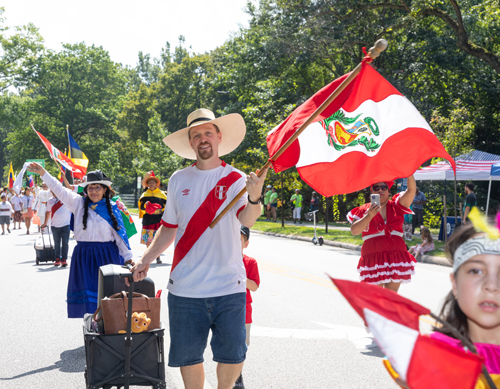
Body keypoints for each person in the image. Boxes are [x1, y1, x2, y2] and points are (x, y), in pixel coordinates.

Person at [129, 108, 267, 389]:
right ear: (191, 143)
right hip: (185, 287)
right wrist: (146, 258)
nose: (202, 139)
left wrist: (254, 197)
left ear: (218, 137)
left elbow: (247, 219)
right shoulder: (178, 179)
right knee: (188, 357)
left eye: (207, 133)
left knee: (232, 355)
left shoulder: (236, 179)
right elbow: (169, 227)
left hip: (229, 286)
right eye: (196, 135)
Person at [27, 162, 133, 318]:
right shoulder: (78, 204)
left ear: (104, 189)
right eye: (90, 188)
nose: (93, 191)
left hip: (108, 255)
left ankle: (109, 325)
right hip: (84, 255)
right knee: (89, 295)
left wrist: (129, 258)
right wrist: (43, 173)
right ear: (86, 190)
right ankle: (93, 324)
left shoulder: (112, 208)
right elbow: (59, 189)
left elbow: (120, 236)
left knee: (110, 294)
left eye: (97, 187)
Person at [347, 177, 417, 293]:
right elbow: (354, 231)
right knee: (377, 297)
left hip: (396, 254)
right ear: (371, 192)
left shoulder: (397, 205)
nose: (380, 190)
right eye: (376, 188)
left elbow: (411, 191)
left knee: (391, 296)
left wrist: (409, 172)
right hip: (372, 255)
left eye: (384, 188)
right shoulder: (363, 209)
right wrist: (369, 215)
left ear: (389, 192)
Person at [234, 226, 260, 389]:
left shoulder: (250, 262)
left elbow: (255, 286)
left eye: (238, 239)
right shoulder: (221, 260)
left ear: (246, 243)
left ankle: (237, 374)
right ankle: (231, 374)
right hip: (223, 308)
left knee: (241, 345)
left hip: (243, 311)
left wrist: (239, 276)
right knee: (228, 344)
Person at [138, 171, 167, 264]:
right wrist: (146, 207)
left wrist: (160, 210)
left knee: (158, 240)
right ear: (148, 184)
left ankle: (157, 257)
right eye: (149, 182)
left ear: (156, 184)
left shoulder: (162, 195)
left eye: (153, 182)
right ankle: (150, 256)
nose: (151, 184)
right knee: (149, 240)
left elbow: (166, 206)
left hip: (158, 220)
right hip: (147, 220)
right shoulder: (145, 195)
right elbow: (141, 206)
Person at [41, 190, 72, 267]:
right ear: (51, 191)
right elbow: (48, 212)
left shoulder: (66, 198)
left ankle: (64, 259)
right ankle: (57, 258)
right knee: (57, 243)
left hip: (66, 225)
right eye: (54, 190)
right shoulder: (50, 201)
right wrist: (45, 223)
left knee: (65, 243)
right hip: (55, 225)